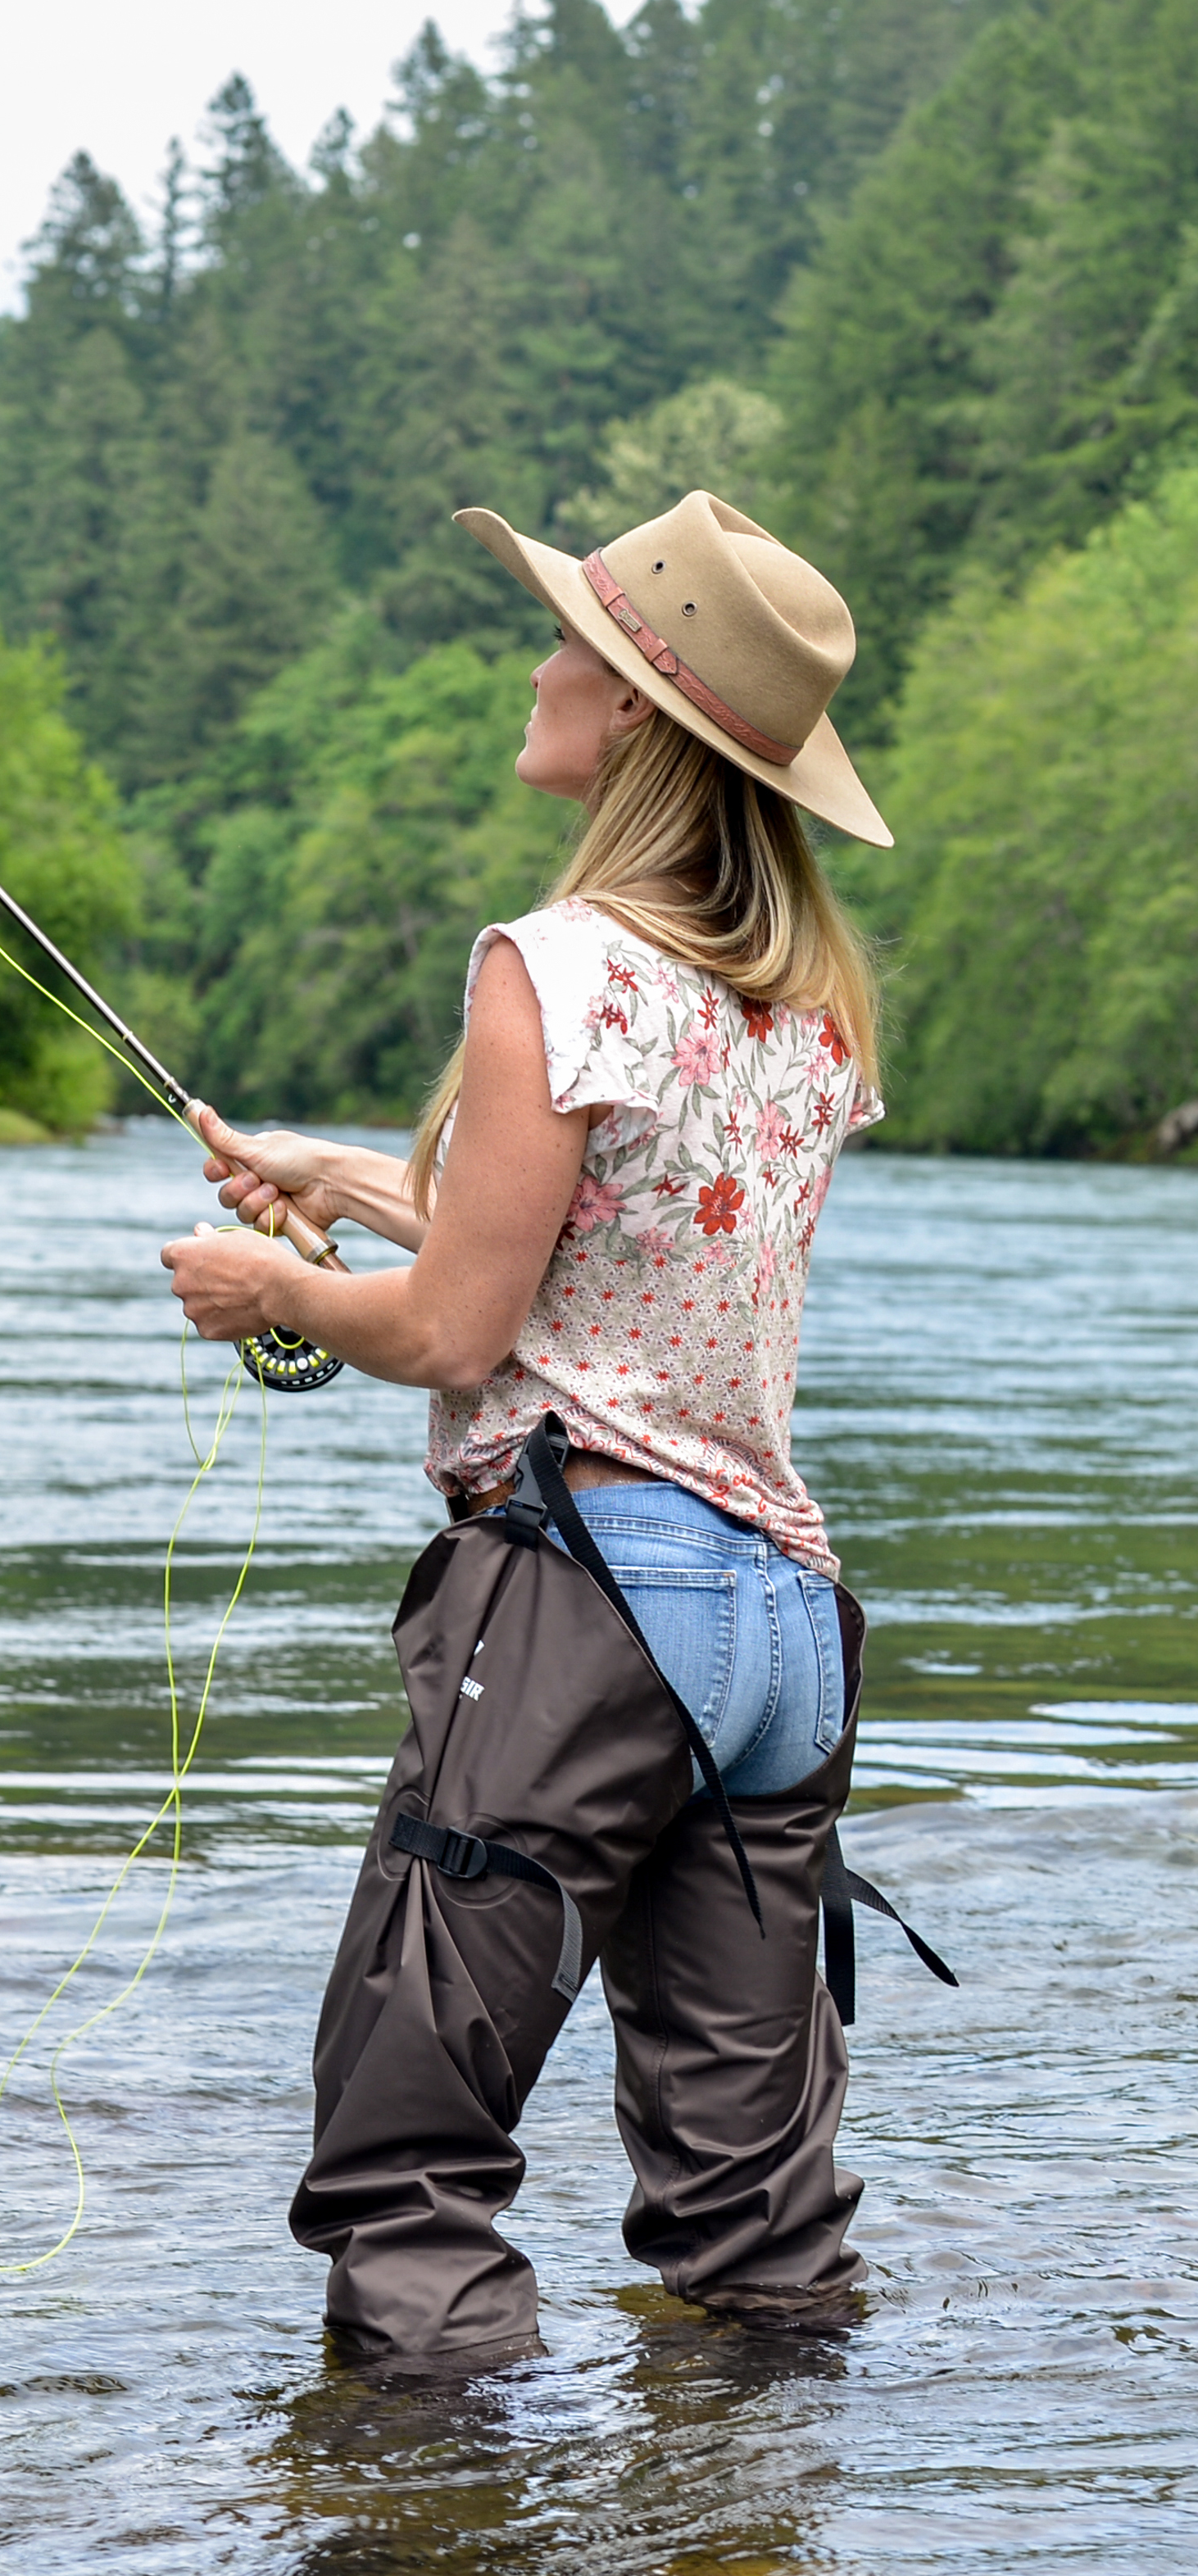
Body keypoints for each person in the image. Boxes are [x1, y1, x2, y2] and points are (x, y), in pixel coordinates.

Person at [160, 488, 897, 2356]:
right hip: (776, 1632)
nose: (541, 655)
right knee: (756, 2209)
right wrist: (342, 1172)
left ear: (638, 711)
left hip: (579, 1614)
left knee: (407, 2161)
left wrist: (273, 1291)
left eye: (570, 633)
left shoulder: (550, 964)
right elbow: (641, 1257)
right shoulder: (803, 1004)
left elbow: (456, 1326)